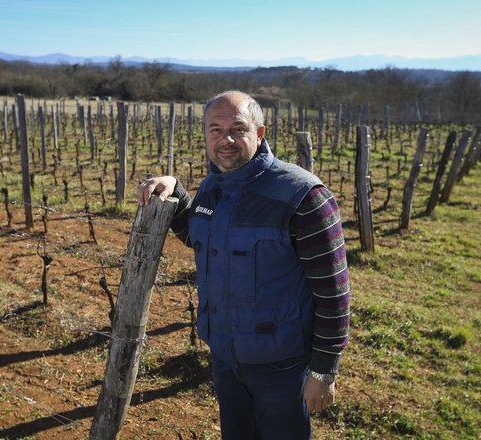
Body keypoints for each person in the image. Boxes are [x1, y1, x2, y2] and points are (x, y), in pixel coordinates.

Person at [137, 91, 350, 439]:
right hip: (225, 359)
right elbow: (201, 235)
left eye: (238, 128)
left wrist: (324, 372)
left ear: (260, 133)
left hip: (282, 367)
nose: (227, 140)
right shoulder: (212, 188)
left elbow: (334, 293)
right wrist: (176, 190)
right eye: (216, 129)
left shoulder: (303, 196)